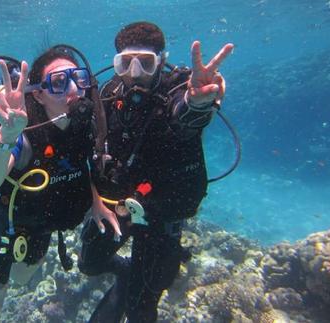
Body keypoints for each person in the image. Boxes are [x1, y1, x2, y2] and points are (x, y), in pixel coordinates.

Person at [79, 21, 234, 322]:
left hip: (162, 212)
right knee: (89, 264)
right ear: (116, 63)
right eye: (125, 63)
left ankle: (135, 285)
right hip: (119, 206)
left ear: (161, 62)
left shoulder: (178, 90)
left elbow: (185, 116)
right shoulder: (108, 94)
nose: (134, 73)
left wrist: (198, 103)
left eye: (146, 63)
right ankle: (125, 276)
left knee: (141, 308)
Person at [0, 47, 100, 322]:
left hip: (39, 229)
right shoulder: (24, 132)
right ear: (39, 93)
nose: (74, 88)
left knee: (23, 280)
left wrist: (97, 202)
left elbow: (84, 165)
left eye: (78, 77)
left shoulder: (86, 124)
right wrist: (7, 135)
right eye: (59, 82)